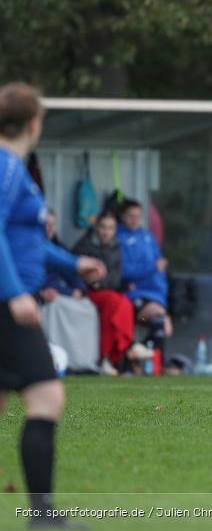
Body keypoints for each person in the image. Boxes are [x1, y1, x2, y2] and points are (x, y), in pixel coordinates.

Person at [1, 82, 105, 528]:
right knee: (47, 396)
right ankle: (42, 515)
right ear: (34, 122)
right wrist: (14, 292)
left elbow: (26, 241)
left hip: (9, 298)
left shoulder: (13, 166)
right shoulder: (6, 165)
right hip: (8, 303)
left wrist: (72, 261)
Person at [73, 211, 137, 376]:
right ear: (96, 227)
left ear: (115, 230)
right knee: (116, 302)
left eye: (110, 228)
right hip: (86, 293)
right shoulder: (84, 245)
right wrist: (92, 283)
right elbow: (74, 272)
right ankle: (115, 354)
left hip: (107, 292)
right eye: (103, 227)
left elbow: (115, 279)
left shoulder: (115, 247)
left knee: (123, 302)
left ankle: (113, 356)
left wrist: (100, 281)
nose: (106, 232)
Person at [39, 210, 101, 375]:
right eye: (46, 225)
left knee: (88, 307)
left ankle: (83, 361)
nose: (50, 228)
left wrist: (79, 289)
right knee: (56, 304)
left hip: (63, 295)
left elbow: (73, 273)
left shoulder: (59, 247)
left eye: (53, 225)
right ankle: (54, 361)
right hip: (44, 296)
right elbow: (40, 279)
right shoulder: (30, 247)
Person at [117, 198, 173, 371]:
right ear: (122, 217)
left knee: (161, 324)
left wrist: (161, 302)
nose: (134, 220)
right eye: (130, 216)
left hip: (154, 299)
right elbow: (125, 272)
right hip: (134, 298)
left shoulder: (148, 238)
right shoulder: (119, 239)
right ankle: (152, 363)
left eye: (138, 216)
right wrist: (151, 268)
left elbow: (160, 274)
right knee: (157, 321)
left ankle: (143, 357)